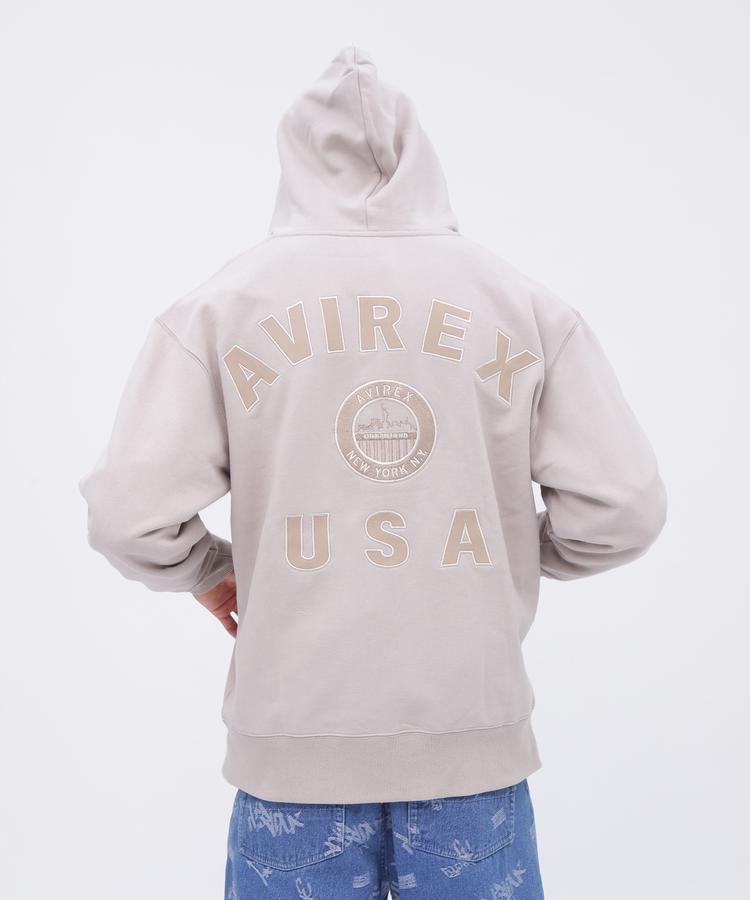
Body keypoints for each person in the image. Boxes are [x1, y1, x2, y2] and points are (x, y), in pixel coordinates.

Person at [79, 45, 667, 900]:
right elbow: (625, 507)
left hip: (292, 756)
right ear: (422, 157)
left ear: (292, 158)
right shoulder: (522, 305)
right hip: (472, 747)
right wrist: (503, 550)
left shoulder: (217, 309)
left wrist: (212, 573)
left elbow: (125, 514)